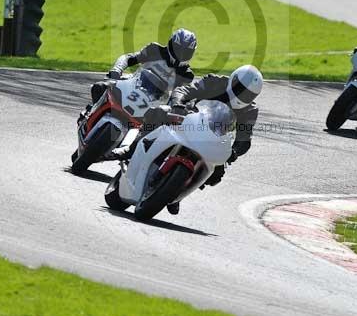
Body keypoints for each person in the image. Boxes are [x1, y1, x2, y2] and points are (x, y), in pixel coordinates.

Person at [107, 65, 263, 215]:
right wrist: (178, 103)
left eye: (248, 94)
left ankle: (177, 191)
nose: (242, 95)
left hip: (214, 138)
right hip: (189, 118)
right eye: (240, 88)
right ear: (233, 80)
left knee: (217, 174)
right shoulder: (215, 82)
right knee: (158, 113)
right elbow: (186, 90)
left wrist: (235, 152)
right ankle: (132, 148)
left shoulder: (250, 111)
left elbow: (245, 136)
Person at [89, 28, 197, 105]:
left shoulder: (186, 74)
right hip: (131, 87)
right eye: (178, 50)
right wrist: (117, 70)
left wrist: (183, 105)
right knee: (99, 87)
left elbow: (182, 95)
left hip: (155, 105)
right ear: (171, 45)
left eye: (186, 52)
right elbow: (128, 58)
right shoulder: (154, 50)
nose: (181, 55)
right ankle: (92, 114)